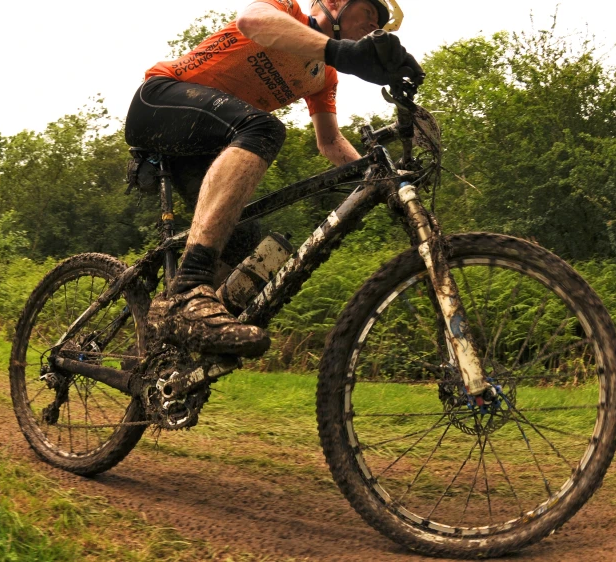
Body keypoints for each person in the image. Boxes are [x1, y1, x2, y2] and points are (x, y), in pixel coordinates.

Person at [125, 0, 423, 358]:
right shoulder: (285, 10)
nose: (373, 24)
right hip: (159, 101)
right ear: (333, 3)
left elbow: (329, 142)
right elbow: (251, 21)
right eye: (369, 12)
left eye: (380, 22)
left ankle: (172, 343)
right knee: (264, 129)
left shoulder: (323, 76)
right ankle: (190, 288)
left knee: (260, 254)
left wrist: (379, 173)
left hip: (205, 151)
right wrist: (340, 52)